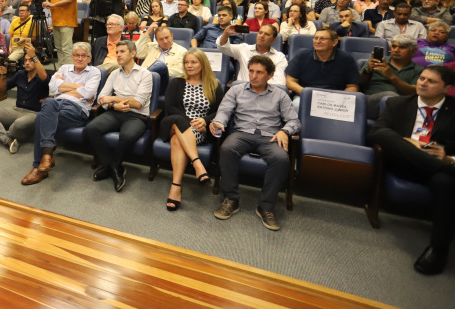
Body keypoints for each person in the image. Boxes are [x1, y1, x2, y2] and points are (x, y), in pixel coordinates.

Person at [367, 65, 455, 275]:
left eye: (431, 81)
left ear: (447, 88)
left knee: (446, 182)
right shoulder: (397, 103)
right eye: (421, 78)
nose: (422, 83)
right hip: (403, 162)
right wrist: (409, 142)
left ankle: (438, 249)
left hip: (438, 171)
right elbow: (377, 133)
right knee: (384, 135)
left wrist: (449, 159)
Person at [211, 56, 300, 231]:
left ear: (270, 75)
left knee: (281, 159)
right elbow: (224, 111)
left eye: (259, 72)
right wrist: (219, 122)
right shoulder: (236, 90)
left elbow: (294, 121)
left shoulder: (280, 95)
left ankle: (266, 206)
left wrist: (285, 131)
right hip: (242, 133)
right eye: (251, 71)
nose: (253, 76)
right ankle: (231, 199)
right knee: (227, 149)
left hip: (270, 136)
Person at [21, 42, 101, 185]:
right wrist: (78, 88)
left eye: (84, 56)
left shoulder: (94, 72)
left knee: (41, 117)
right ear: (72, 56)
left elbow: (88, 93)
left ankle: (40, 165)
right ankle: (45, 158)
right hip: (56, 104)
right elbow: (52, 87)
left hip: (76, 109)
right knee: (49, 103)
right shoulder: (65, 68)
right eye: (77, 55)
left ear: (89, 58)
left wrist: (63, 88)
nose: (80, 58)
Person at [85, 40, 155, 192]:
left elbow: (137, 103)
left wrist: (114, 98)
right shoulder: (115, 73)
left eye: (122, 51)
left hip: (136, 116)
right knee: (91, 128)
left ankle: (113, 166)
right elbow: (102, 98)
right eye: (117, 52)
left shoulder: (145, 74)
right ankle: (112, 166)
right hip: (115, 112)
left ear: (133, 53)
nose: (118, 55)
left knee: (127, 135)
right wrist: (113, 105)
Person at [162, 49, 225, 211]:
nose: (189, 66)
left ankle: (175, 187)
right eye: (186, 62)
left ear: (203, 64)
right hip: (173, 122)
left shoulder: (214, 85)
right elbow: (169, 107)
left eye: (193, 62)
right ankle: (197, 164)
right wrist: (188, 121)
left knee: (177, 139)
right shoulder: (176, 82)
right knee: (178, 121)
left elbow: (220, 111)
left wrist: (205, 120)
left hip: (198, 129)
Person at [0, 42, 49, 154]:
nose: (27, 63)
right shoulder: (21, 74)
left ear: (38, 61)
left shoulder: (42, 75)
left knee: (19, 124)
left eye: (31, 60)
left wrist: (34, 56)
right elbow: (2, 89)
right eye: (25, 60)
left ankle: (1, 135)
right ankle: (7, 140)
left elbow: (43, 76)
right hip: (16, 110)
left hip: (34, 113)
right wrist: (2, 76)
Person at [286, 28, 360, 110]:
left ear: (334, 42)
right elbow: (290, 81)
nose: (317, 41)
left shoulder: (347, 59)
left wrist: (340, 99)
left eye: (322, 39)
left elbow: (352, 86)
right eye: (315, 38)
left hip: (336, 99)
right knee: (296, 105)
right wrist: (306, 93)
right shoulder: (302, 55)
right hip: (307, 96)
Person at [359, 34, 421, 118]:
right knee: (390, 96)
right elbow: (358, 83)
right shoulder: (376, 62)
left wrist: (391, 76)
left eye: (402, 47)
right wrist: (368, 71)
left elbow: (414, 91)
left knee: (395, 100)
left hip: (401, 105)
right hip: (370, 101)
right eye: (394, 46)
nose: (396, 50)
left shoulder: (418, 69)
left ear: (413, 51)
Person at [218, 23, 288, 87]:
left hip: (267, 94)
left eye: (267, 34)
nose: (262, 36)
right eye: (260, 33)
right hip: (243, 92)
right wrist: (226, 33)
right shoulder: (243, 49)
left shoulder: (279, 57)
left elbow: (279, 82)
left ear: (274, 39)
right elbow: (223, 47)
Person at [43, 0, 79, 66]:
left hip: (66, 20)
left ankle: (69, 74)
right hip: (56, 19)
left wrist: (53, 4)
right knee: (58, 48)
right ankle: (61, 72)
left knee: (66, 48)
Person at [138, 25, 186, 92]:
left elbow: (180, 70)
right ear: (157, 40)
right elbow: (137, 52)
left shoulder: (182, 51)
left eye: (167, 37)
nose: (165, 41)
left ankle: (139, 78)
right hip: (147, 81)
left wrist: (157, 74)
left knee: (161, 66)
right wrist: (148, 33)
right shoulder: (152, 46)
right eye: (161, 39)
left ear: (172, 36)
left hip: (163, 83)